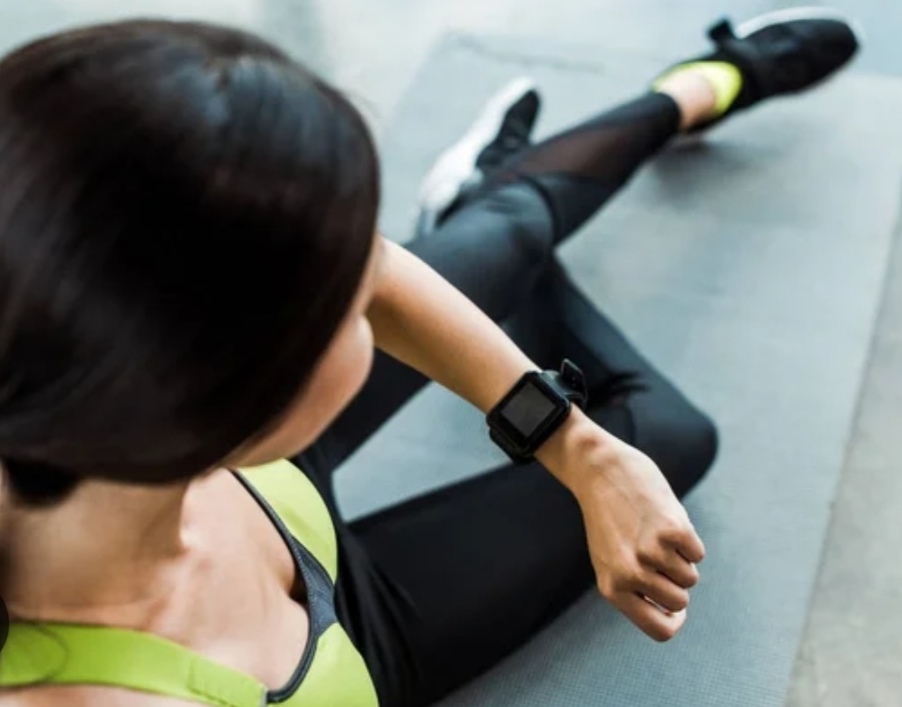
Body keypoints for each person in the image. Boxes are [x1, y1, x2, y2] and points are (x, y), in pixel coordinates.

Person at [0, 8, 858, 707]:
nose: (372, 274)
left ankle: (700, 87)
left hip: (258, 471)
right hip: (368, 644)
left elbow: (384, 271)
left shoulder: (80, 348)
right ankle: (477, 192)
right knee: (672, 431)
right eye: (342, 292)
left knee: (514, 235)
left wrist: (575, 443)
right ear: (228, 379)